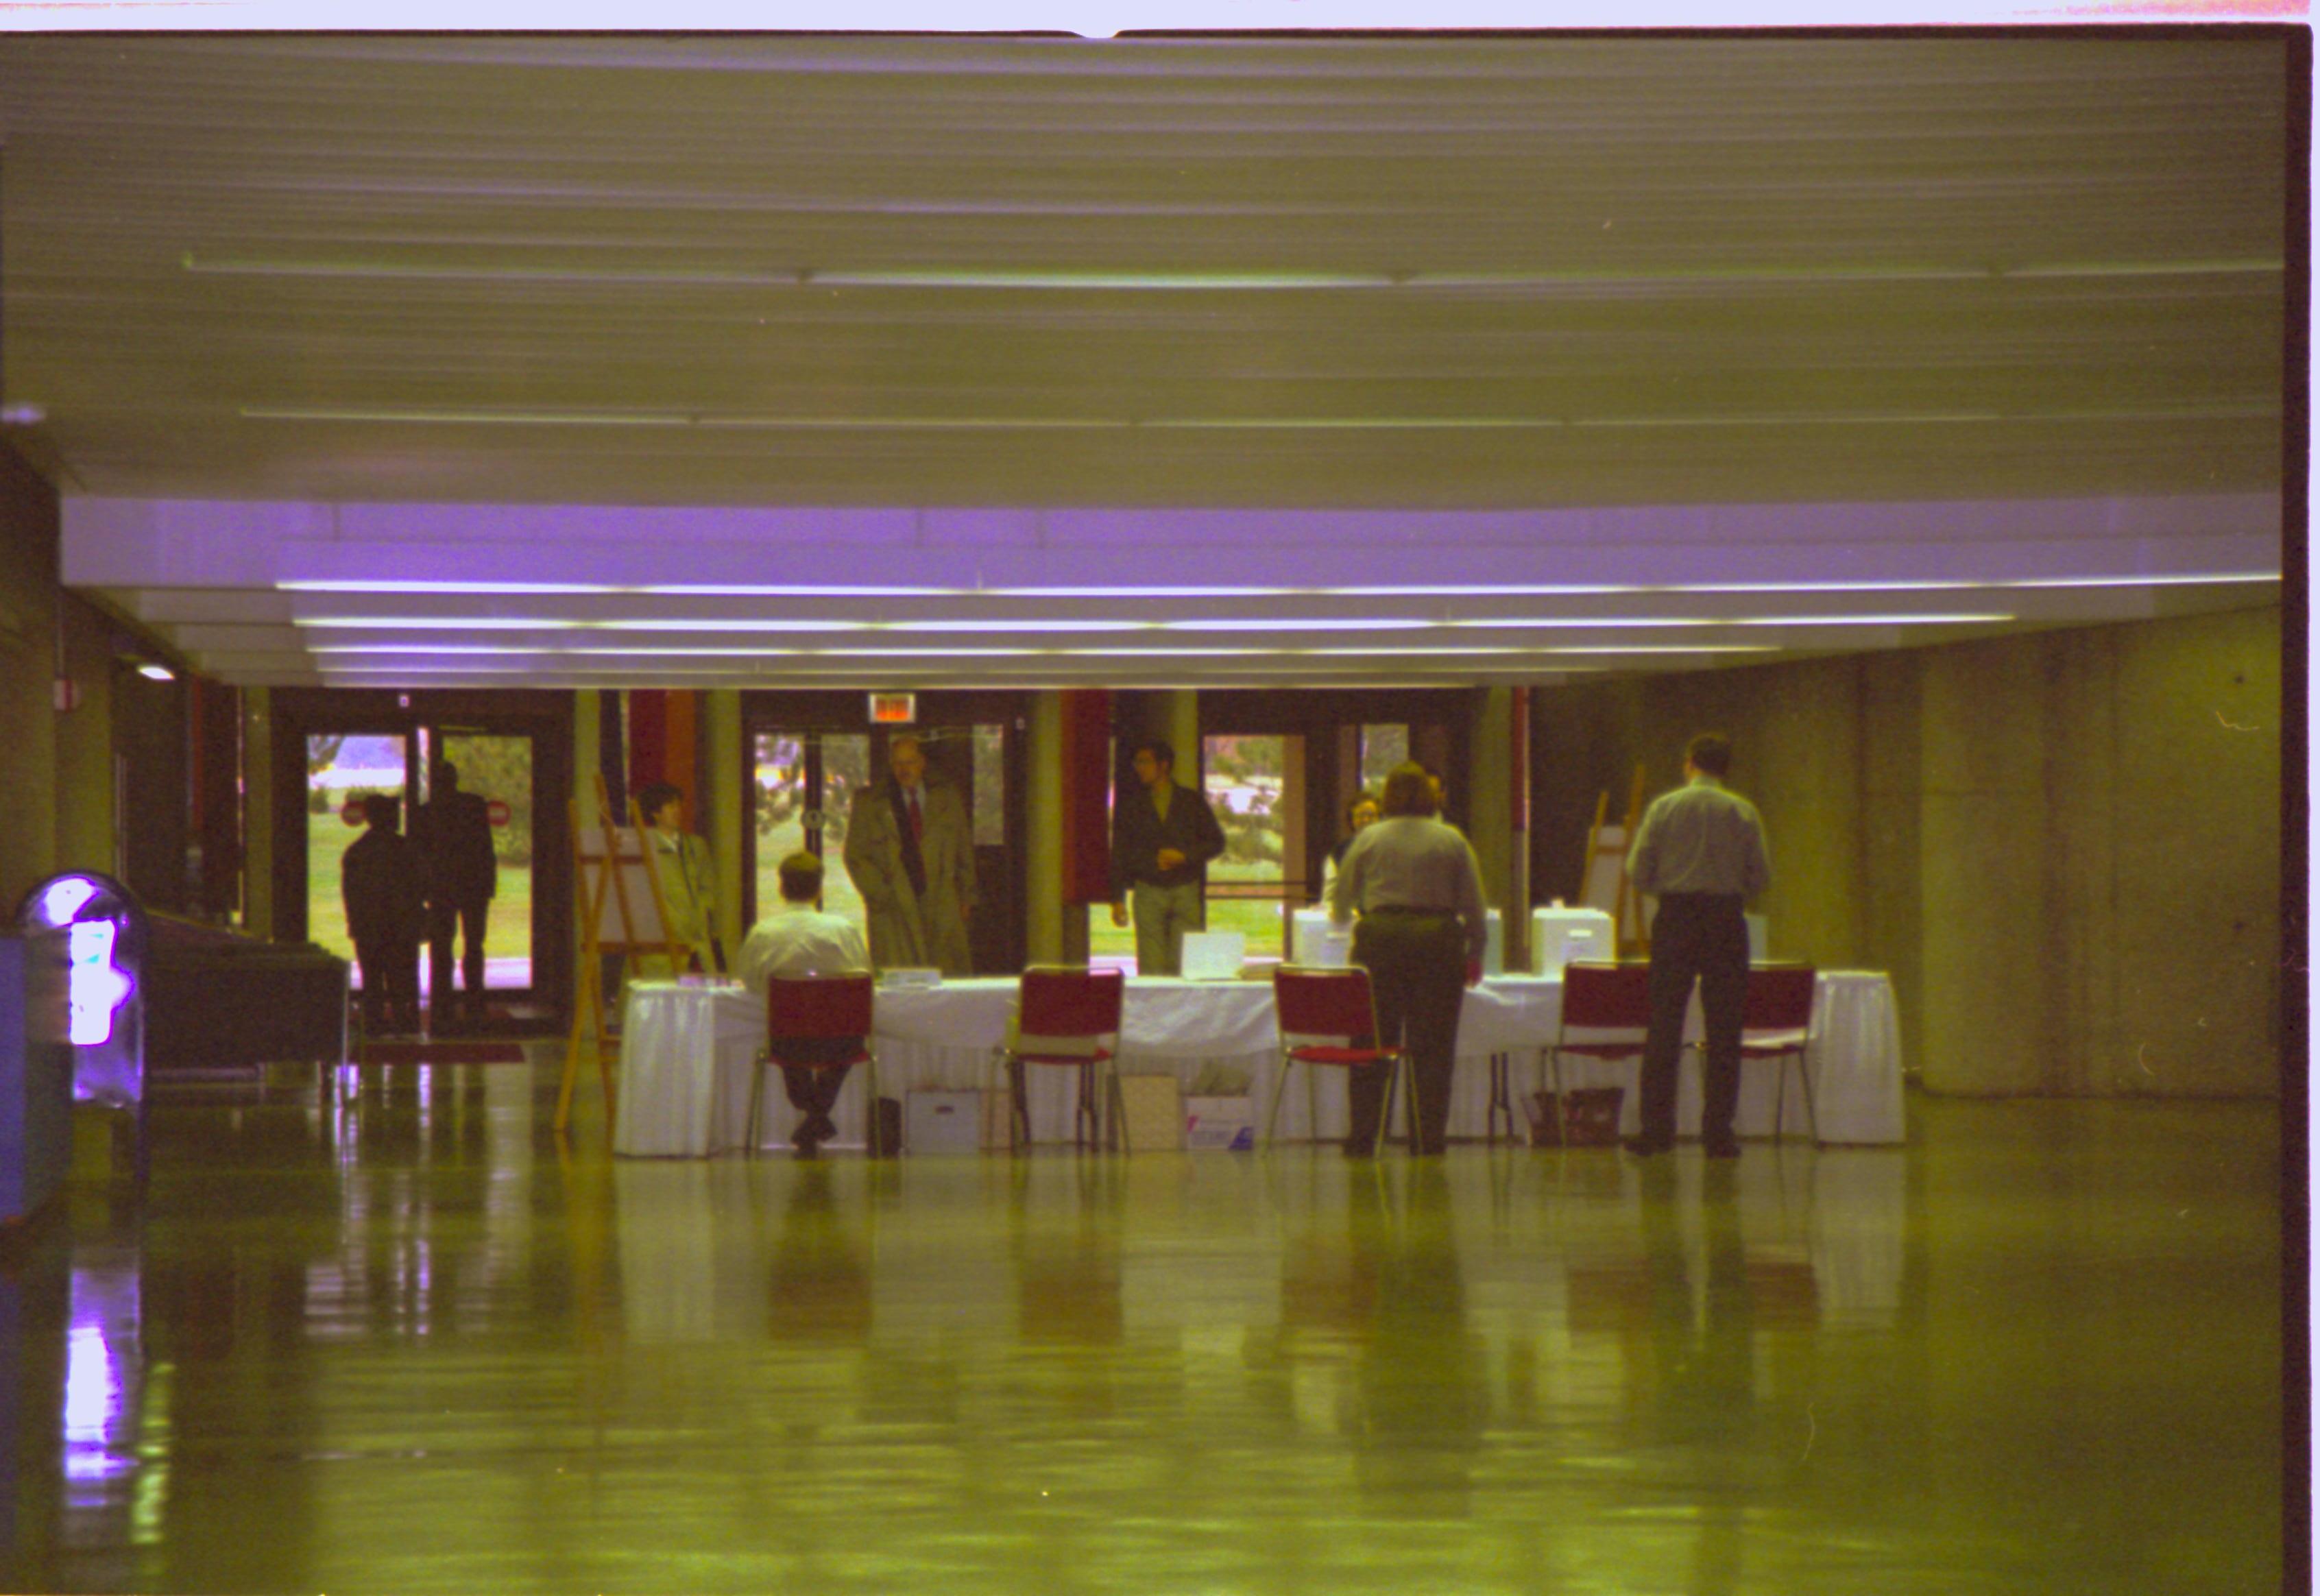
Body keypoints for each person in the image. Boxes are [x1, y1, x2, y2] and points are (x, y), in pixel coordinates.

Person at [1623, 733, 1772, 1160]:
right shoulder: (1743, 812)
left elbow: (1638, 871)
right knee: (1725, 1028)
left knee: (1664, 1025)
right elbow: (1760, 877)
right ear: (1726, 768)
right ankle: (1718, 1134)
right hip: (1726, 919)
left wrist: (1668, 891)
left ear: (1689, 764)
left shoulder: (1664, 808)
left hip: (1677, 917)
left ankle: (1656, 1131)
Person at [1327, 762, 1488, 1155]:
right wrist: (1476, 953)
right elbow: (1475, 906)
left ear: (1388, 798)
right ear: (1430, 797)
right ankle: (1428, 1138)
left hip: (1380, 942)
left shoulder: (1369, 838)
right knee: (1433, 1047)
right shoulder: (1451, 840)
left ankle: (1364, 1137)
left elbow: (1340, 901)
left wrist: (1359, 911)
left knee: (1371, 1042)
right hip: (1438, 943)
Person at [736, 851, 873, 1156]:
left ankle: (813, 1113)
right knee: (848, 1040)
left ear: (782, 888)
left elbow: (749, 982)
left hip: (787, 1042)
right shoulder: (844, 930)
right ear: (819, 889)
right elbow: (864, 980)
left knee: (788, 1030)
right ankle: (817, 1114)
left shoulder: (763, 933)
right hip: (842, 1042)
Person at [843, 733, 976, 974]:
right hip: (894, 906)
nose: (904, 769)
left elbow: (963, 850)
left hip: (941, 902)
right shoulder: (871, 803)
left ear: (922, 763)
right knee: (899, 984)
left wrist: (966, 896)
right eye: (898, 763)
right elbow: (855, 856)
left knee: (946, 980)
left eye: (910, 762)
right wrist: (880, 895)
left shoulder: (947, 798)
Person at [1107, 738, 1227, 977]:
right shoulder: (1132, 805)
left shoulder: (1190, 801)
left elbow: (1216, 842)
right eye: (1137, 762)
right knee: (1151, 967)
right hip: (1148, 890)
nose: (1139, 767)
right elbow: (1119, 852)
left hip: (1185, 890)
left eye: (1145, 762)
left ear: (1163, 765)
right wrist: (1116, 898)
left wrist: (1184, 856)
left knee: (1186, 966)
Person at [412, 760, 496, 1029]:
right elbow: (486, 848)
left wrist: (423, 890)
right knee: (473, 946)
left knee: (443, 947)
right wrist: (488, 885)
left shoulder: (426, 813)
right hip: (472, 886)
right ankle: (474, 1000)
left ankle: (444, 1001)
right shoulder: (474, 806)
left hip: (443, 887)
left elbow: (420, 856)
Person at [341, 793, 426, 1035]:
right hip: (402, 926)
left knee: (373, 982)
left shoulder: (357, 852)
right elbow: (423, 884)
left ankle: (375, 1025)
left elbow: (351, 894)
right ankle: (405, 1023)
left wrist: (355, 923)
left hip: (369, 927)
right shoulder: (407, 849)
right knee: (402, 980)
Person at [636, 781, 718, 975]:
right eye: (671, 806)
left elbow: (708, 888)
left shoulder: (695, 846)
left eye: (679, 805)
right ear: (656, 813)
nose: (678, 810)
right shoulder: (643, 847)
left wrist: (701, 912)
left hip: (697, 939)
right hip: (659, 943)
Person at [1318, 789, 1381, 902]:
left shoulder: (1389, 849)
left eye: (1371, 816)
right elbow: (1329, 896)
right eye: (1360, 816)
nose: (1366, 820)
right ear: (1351, 820)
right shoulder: (1338, 854)